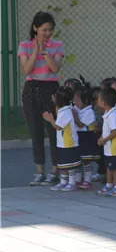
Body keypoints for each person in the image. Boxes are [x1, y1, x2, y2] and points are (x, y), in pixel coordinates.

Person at [19, 11, 65, 186]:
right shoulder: (25, 45)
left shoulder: (57, 45)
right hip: (32, 89)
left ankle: (55, 170)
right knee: (35, 131)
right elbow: (26, 69)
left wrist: (45, 52)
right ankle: (40, 171)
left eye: (50, 30)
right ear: (35, 28)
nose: (48, 33)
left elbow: (55, 68)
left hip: (51, 89)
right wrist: (36, 50)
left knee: (53, 130)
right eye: (44, 29)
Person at [40, 87, 83, 192]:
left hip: (69, 143)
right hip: (63, 143)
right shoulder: (64, 109)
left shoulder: (66, 112)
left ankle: (72, 183)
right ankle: (64, 182)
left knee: (70, 165)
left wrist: (51, 120)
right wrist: (56, 103)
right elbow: (58, 111)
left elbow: (58, 127)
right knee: (63, 164)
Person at [96, 87, 116, 197]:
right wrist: (102, 137)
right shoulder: (108, 113)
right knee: (109, 167)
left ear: (103, 102)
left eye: (98, 100)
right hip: (109, 148)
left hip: (115, 148)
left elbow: (115, 132)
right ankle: (109, 185)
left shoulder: (113, 115)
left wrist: (104, 140)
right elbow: (107, 130)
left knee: (115, 168)